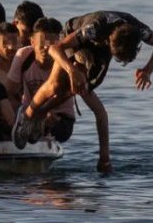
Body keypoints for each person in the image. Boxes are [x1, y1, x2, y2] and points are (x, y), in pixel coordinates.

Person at [13, 12, 153, 159]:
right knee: (56, 84)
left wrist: (148, 69)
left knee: (81, 86)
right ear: (110, 41)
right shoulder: (94, 28)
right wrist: (71, 70)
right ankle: (27, 116)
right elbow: (55, 49)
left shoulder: (139, 29)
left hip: (101, 47)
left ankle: (40, 115)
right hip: (72, 35)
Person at [8, 17, 112, 172]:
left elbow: (100, 112)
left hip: (60, 120)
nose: (46, 48)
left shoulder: (69, 67)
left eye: (52, 44)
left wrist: (104, 157)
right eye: (42, 42)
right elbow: (9, 92)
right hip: (28, 113)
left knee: (57, 126)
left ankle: (40, 130)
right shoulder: (23, 56)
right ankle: (28, 130)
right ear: (32, 41)